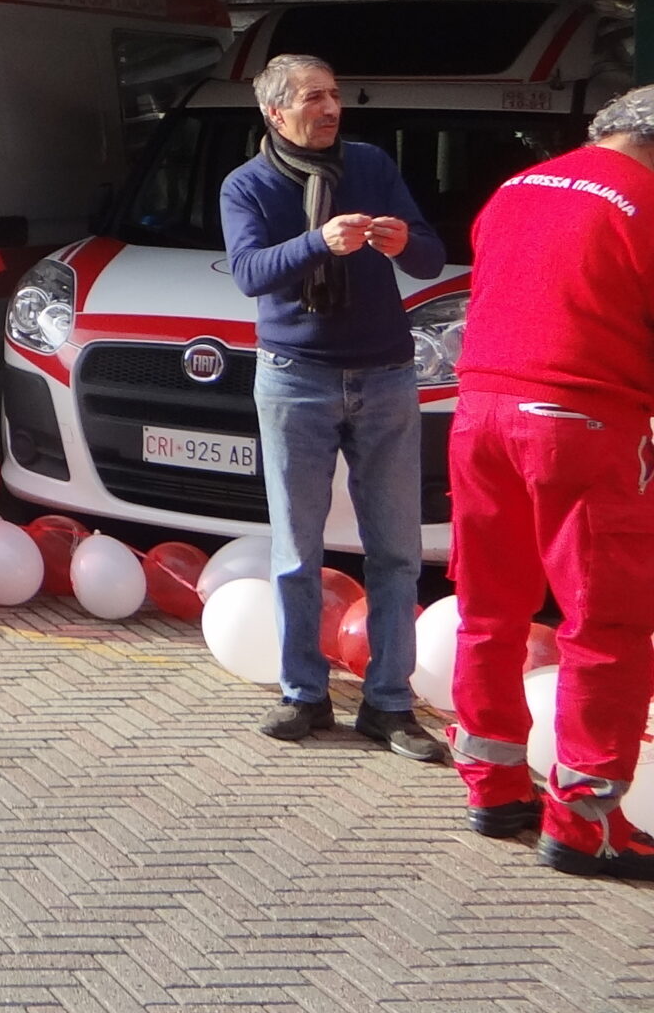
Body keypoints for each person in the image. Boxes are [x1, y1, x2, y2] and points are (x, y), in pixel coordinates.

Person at [446, 85, 654, 878]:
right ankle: (585, 823)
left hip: (480, 412)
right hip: (582, 422)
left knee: (488, 605)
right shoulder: (645, 201)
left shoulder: (517, 187)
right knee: (606, 624)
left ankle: (493, 786)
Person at [221, 53, 446, 759]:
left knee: (395, 551)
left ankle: (388, 704)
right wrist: (318, 242)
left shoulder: (373, 164)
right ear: (275, 112)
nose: (330, 109)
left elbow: (431, 259)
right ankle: (304, 695)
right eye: (314, 98)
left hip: (385, 375)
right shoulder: (247, 184)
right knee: (296, 550)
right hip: (295, 377)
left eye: (336, 97)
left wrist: (407, 241)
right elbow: (250, 272)